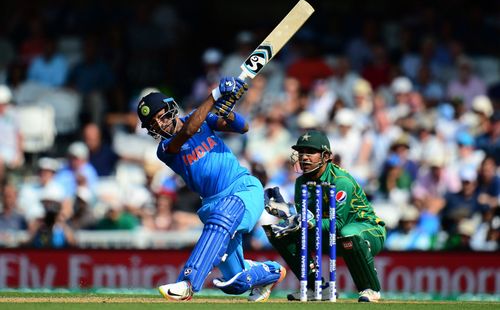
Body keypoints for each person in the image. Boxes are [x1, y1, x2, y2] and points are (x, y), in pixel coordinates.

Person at [136, 76, 286, 302]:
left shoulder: (204, 121)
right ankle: (272, 271)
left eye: (160, 116)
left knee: (224, 213)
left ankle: (188, 283)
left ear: (170, 109)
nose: (159, 124)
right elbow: (187, 131)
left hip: (243, 189)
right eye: (152, 124)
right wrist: (215, 96)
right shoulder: (165, 148)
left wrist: (228, 111)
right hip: (213, 204)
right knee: (237, 282)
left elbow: (243, 127)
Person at [262, 130, 386, 302]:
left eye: (310, 152)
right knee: (279, 232)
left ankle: (370, 289)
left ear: (326, 156)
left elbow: (339, 224)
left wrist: (308, 221)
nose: (304, 157)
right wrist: (286, 212)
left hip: (367, 230)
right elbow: (304, 217)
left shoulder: (340, 181)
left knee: (347, 232)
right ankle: (316, 288)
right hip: (329, 234)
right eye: (301, 153)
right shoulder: (301, 182)